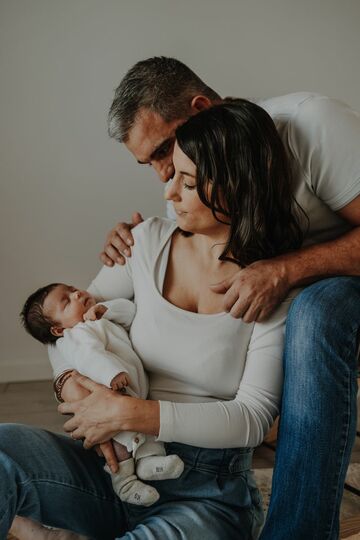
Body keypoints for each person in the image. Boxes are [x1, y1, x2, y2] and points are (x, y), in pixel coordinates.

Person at [2, 99, 301, 540]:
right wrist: (67, 381)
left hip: (206, 495)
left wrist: (132, 413)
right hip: (112, 472)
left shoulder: (272, 286)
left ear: (236, 186)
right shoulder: (144, 242)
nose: (167, 193)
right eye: (171, 172)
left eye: (187, 181)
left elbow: (252, 419)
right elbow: (63, 325)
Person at [97, 57, 360, 539]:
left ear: (201, 110)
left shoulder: (312, 125)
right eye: (150, 165)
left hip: (341, 279)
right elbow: (78, 311)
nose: (163, 179)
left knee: (314, 313)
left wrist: (287, 268)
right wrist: (132, 247)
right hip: (289, 281)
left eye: (163, 152)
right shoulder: (186, 185)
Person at [20, 283, 184, 507]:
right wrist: (111, 374)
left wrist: (105, 309)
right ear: (58, 330)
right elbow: (89, 356)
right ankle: (125, 483)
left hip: (135, 391)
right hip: (111, 392)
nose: (76, 293)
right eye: (66, 301)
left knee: (145, 429)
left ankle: (148, 462)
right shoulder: (76, 335)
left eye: (72, 289)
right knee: (119, 444)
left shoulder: (98, 318)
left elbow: (131, 311)